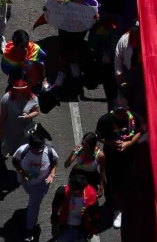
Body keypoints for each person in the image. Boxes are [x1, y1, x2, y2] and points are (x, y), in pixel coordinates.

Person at [96, 98, 145, 229]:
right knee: (115, 185)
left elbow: (141, 131)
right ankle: (118, 209)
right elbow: (99, 137)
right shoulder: (105, 120)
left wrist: (129, 143)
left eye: (123, 111)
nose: (120, 114)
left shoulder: (134, 117)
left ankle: (129, 202)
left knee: (130, 181)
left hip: (130, 155)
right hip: (113, 158)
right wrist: (112, 143)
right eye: (118, 112)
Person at [53, 0, 99, 87]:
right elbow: (54, 4)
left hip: (79, 29)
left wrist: (95, 16)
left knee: (75, 47)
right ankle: (61, 72)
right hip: (65, 26)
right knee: (63, 50)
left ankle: (73, 62)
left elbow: (95, 13)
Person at [12, 133, 58, 242]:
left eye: (41, 148)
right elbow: (15, 161)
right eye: (37, 149)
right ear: (30, 146)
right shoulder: (23, 151)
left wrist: (52, 174)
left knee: (33, 206)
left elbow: (55, 162)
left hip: (40, 184)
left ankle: (29, 229)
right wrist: (23, 174)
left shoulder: (50, 151)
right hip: (25, 181)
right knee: (30, 193)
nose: (40, 151)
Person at [50, 173, 100, 242]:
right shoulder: (62, 192)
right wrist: (54, 224)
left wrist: (92, 228)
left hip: (82, 227)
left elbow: (95, 213)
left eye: (78, 191)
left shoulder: (91, 194)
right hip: (65, 225)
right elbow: (55, 207)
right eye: (73, 190)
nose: (75, 193)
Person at [0, 79, 40, 157]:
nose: (20, 95)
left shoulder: (33, 98)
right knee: (8, 144)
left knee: (23, 148)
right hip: (10, 128)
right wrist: (1, 130)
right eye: (18, 93)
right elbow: (2, 116)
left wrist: (28, 116)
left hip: (24, 130)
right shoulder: (6, 98)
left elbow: (37, 111)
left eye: (22, 93)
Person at [114, 19, 145, 116]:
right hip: (128, 71)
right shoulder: (125, 39)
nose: (137, 32)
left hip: (142, 73)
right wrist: (118, 73)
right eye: (135, 30)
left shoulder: (147, 41)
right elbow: (118, 56)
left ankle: (136, 116)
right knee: (125, 93)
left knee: (139, 97)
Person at [64, 132, 106, 197]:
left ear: (91, 146)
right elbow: (66, 165)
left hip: (91, 177)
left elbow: (102, 171)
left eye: (85, 145)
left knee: (90, 197)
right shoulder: (79, 150)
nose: (82, 146)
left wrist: (101, 186)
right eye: (82, 143)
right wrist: (72, 154)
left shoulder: (100, 155)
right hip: (77, 175)